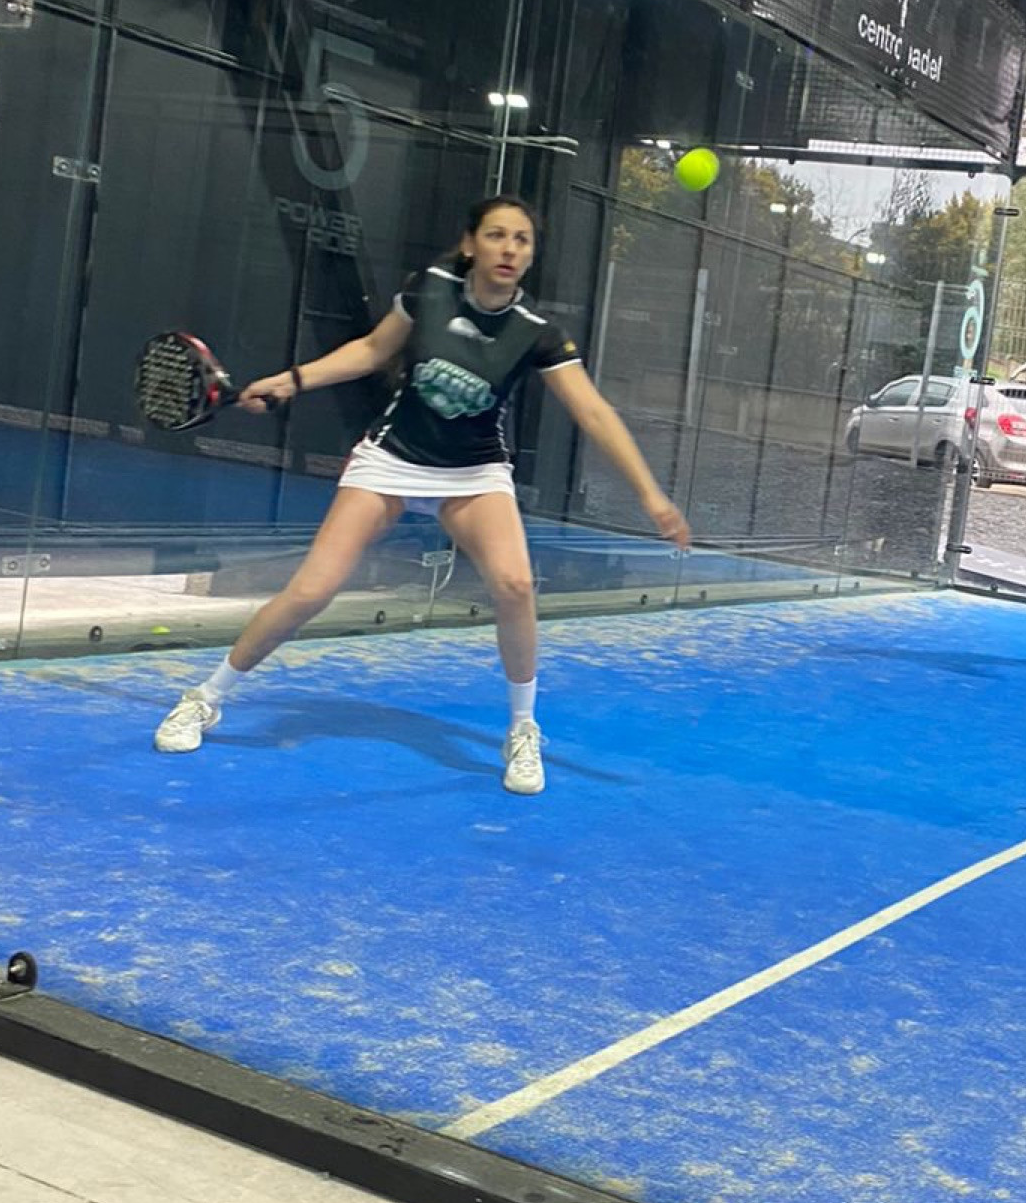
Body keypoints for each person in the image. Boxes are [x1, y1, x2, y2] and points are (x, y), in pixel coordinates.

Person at [152, 193, 691, 793]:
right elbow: (372, 351)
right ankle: (204, 698)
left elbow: (592, 412)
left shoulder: (537, 333)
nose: (509, 249)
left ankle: (523, 729)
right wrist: (292, 380)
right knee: (312, 589)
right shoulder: (429, 290)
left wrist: (651, 496)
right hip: (391, 458)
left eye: (522, 240)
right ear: (471, 244)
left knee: (515, 585)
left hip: (474, 472)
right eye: (497, 235)